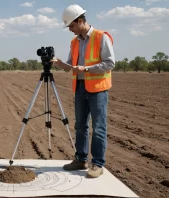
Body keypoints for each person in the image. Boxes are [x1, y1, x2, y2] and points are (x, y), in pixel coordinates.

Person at [51, 4, 115, 178]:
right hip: (80, 88)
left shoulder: (101, 37)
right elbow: (71, 67)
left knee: (99, 127)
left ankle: (97, 164)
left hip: (98, 90)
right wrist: (60, 63)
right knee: (80, 126)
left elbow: (110, 64)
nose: (70, 29)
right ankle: (81, 159)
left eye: (71, 26)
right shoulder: (74, 42)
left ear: (80, 21)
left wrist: (86, 69)